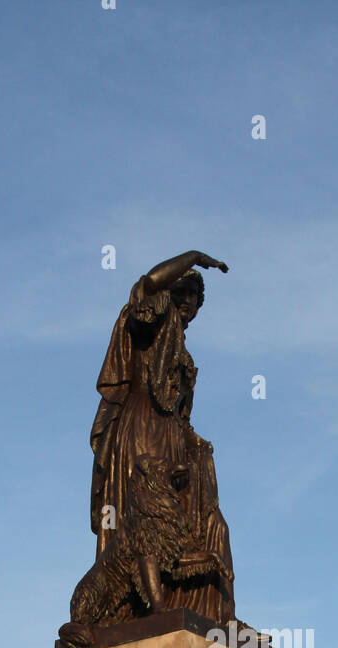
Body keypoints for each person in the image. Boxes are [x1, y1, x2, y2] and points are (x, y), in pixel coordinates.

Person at [83, 250, 235, 626]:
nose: (187, 304)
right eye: (182, 294)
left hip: (170, 435)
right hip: (140, 429)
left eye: (195, 301)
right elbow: (148, 284)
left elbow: (183, 415)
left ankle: (177, 602)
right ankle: (132, 607)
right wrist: (194, 258)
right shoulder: (150, 322)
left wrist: (195, 444)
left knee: (189, 520)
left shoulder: (182, 352)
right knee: (139, 516)